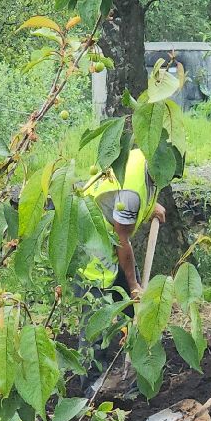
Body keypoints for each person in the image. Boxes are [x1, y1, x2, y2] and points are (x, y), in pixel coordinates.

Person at [76, 148, 165, 395]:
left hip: (110, 234)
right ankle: (91, 391)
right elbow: (122, 240)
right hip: (92, 248)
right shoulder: (131, 193)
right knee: (95, 320)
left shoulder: (144, 161)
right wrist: (133, 283)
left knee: (137, 310)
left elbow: (131, 194)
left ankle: (138, 375)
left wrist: (151, 205)